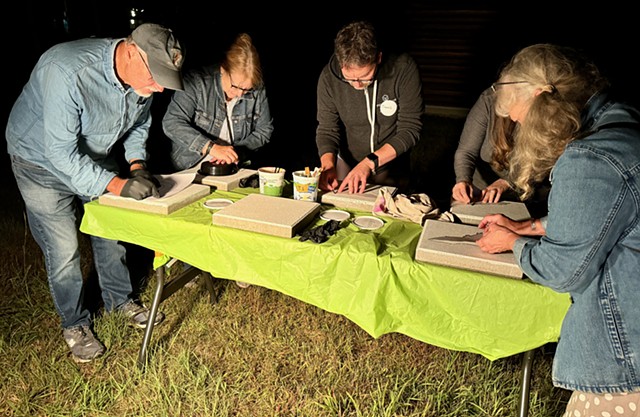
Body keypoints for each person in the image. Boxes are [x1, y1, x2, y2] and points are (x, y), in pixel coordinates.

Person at [475, 44, 640, 416]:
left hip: (628, 357)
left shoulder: (590, 157)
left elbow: (563, 270)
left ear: (540, 100)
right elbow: (611, 214)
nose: (516, 128)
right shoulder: (621, 124)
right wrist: (528, 225)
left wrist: (513, 242)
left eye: (517, 118)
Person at [5, 23, 185, 363]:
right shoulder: (66, 70)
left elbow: (139, 123)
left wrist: (135, 165)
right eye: (155, 77)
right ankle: (74, 324)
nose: (159, 88)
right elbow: (60, 153)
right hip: (39, 161)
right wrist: (117, 185)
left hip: (92, 154)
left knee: (110, 229)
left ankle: (120, 302)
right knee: (64, 248)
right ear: (131, 51)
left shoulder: (142, 81)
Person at [315, 20, 424, 194]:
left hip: (391, 163)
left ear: (378, 58)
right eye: (349, 79)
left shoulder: (404, 69)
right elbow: (328, 129)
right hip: (348, 162)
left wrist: (369, 162)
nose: (357, 85)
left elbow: (410, 129)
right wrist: (328, 164)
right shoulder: (328, 78)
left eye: (365, 77)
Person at [162, 32, 273, 172]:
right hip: (190, 167)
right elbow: (172, 122)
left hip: (234, 168)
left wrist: (236, 152)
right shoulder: (196, 83)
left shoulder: (257, 89)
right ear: (222, 69)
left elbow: (264, 130)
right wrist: (210, 148)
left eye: (246, 90)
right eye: (236, 86)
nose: (240, 94)